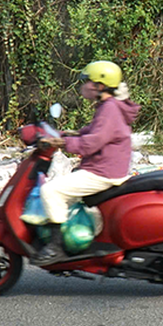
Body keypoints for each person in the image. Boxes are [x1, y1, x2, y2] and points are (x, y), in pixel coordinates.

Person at [33, 60, 140, 264]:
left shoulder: (110, 109)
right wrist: (66, 134)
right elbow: (93, 132)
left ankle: (56, 248)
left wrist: (61, 142)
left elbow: (92, 142)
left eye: (87, 82)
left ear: (100, 85)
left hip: (103, 172)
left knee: (51, 191)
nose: (84, 86)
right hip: (105, 168)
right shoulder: (109, 106)